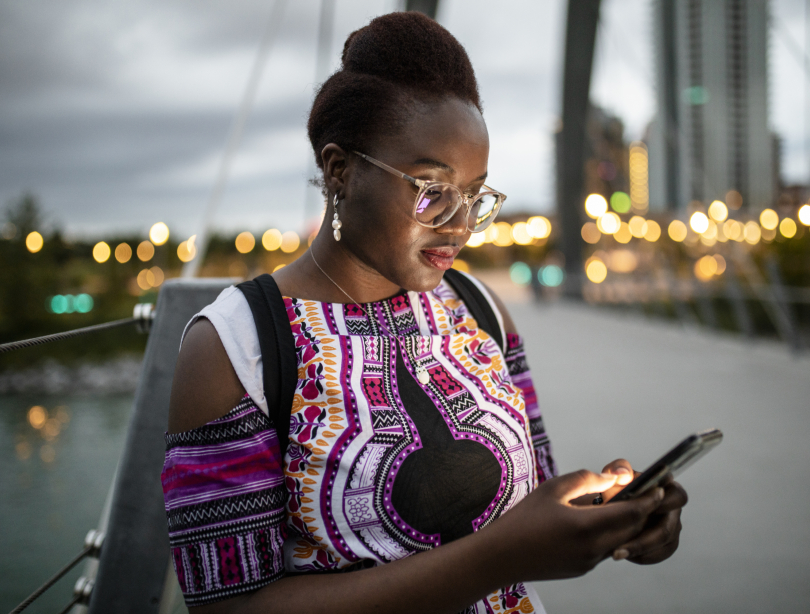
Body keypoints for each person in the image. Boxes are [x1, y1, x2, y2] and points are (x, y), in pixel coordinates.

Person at [162, 12, 686, 614]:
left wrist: (619, 522)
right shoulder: (236, 349)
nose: (460, 224)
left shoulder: (479, 310)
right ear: (340, 172)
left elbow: (534, 500)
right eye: (430, 188)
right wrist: (501, 558)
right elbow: (225, 609)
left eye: (475, 194)